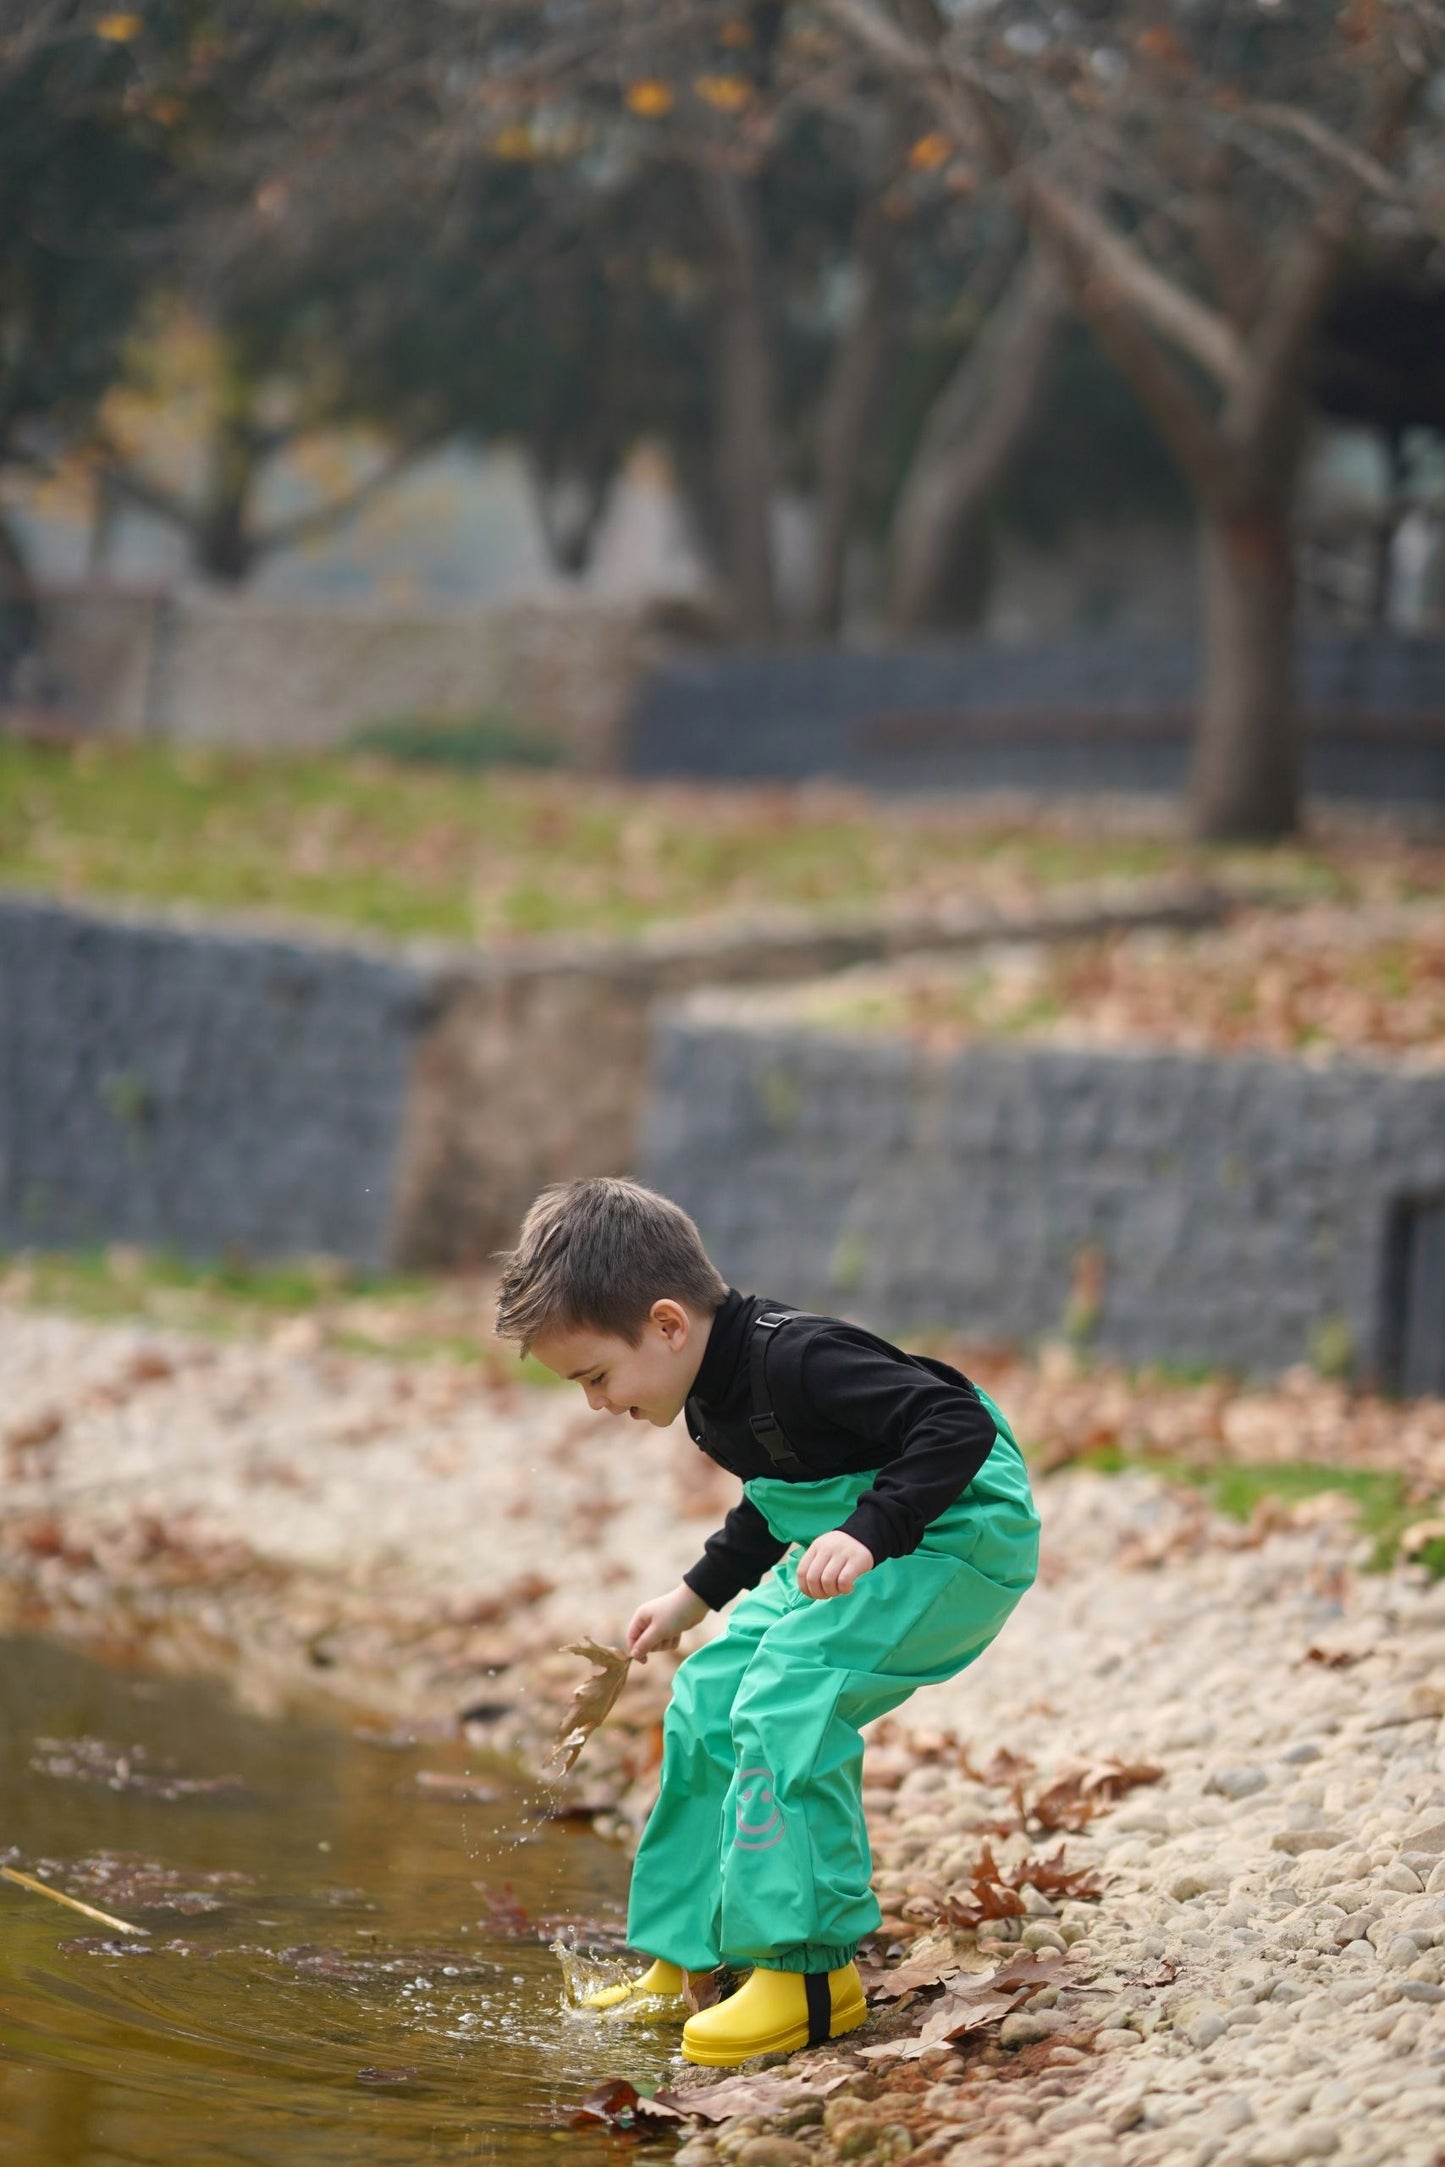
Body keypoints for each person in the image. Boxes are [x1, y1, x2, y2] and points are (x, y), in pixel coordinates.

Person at [494, 1177, 1039, 2067]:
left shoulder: (802, 1358)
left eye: (595, 1375)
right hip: (857, 1532)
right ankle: (688, 1959)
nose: (592, 1401)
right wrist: (695, 1595)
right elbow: (777, 1499)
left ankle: (812, 1976)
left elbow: (952, 1420)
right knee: (708, 1695)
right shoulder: (707, 1394)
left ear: (668, 1325)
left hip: (954, 1535)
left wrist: (871, 1532)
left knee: (788, 1694)